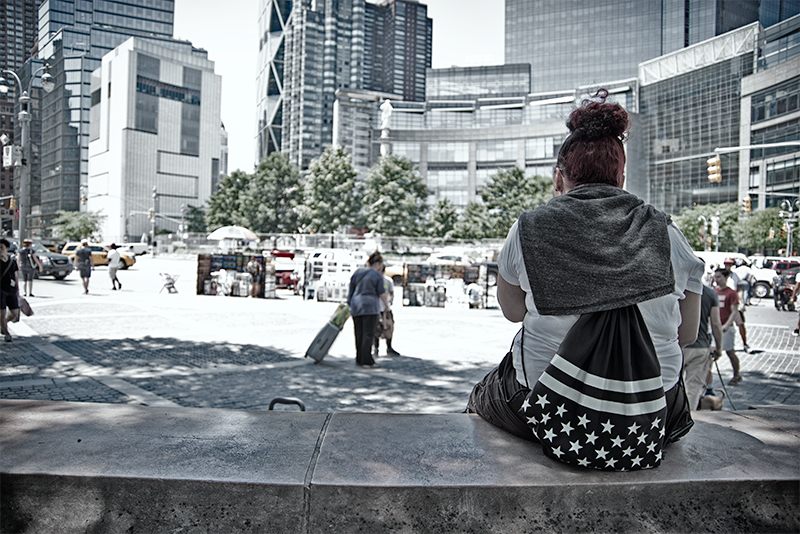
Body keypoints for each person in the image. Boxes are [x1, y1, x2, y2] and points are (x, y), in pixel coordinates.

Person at [466, 90, 703, 442]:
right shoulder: (668, 234)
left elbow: (513, 312)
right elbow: (687, 335)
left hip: (545, 408)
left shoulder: (528, 229)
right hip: (652, 416)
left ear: (558, 179)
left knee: (483, 394)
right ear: (620, 179)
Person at [683, 284, 723, 410]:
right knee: (693, 388)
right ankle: (686, 420)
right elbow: (716, 323)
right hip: (700, 346)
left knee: (669, 384)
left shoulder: (677, 286)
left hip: (676, 344)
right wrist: (719, 347)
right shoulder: (711, 293)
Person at [347, 251, 388, 368]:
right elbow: (381, 293)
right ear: (378, 263)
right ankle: (367, 360)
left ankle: (359, 358)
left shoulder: (357, 273)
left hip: (356, 305)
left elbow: (351, 291)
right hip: (370, 306)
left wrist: (349, 304)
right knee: (368, 333)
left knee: (358, 333)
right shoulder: (376, 275)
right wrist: (386, 305)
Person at [713, 268, 743, 385]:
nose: (717, 279)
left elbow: (734, 311)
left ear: (726, 278)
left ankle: (736, 375)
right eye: (715, 277)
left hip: (726, 328)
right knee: (711, 352)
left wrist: (726, 324)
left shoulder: (731, 293)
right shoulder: (714, 292)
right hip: (715, 327)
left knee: (730, 352)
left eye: (719, 277)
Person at [374, 265, 400, 357]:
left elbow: (391, 293)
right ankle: (376, 348)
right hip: (376, 308)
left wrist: (389, 302)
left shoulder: (388, 281)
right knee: (376, 328)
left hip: (386, 309)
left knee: (389, 327)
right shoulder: (374, 280)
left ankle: (389, 347)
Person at [0, 238, 20, 342]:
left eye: (1, 247)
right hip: (0, 291)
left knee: (14, 313)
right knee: (1, 313)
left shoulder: (12, 261)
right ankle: (6, 333)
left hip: (11, 290)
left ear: (7, 248)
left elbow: (15, 275)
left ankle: (3, 324)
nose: (0, 250)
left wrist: (17, 290)